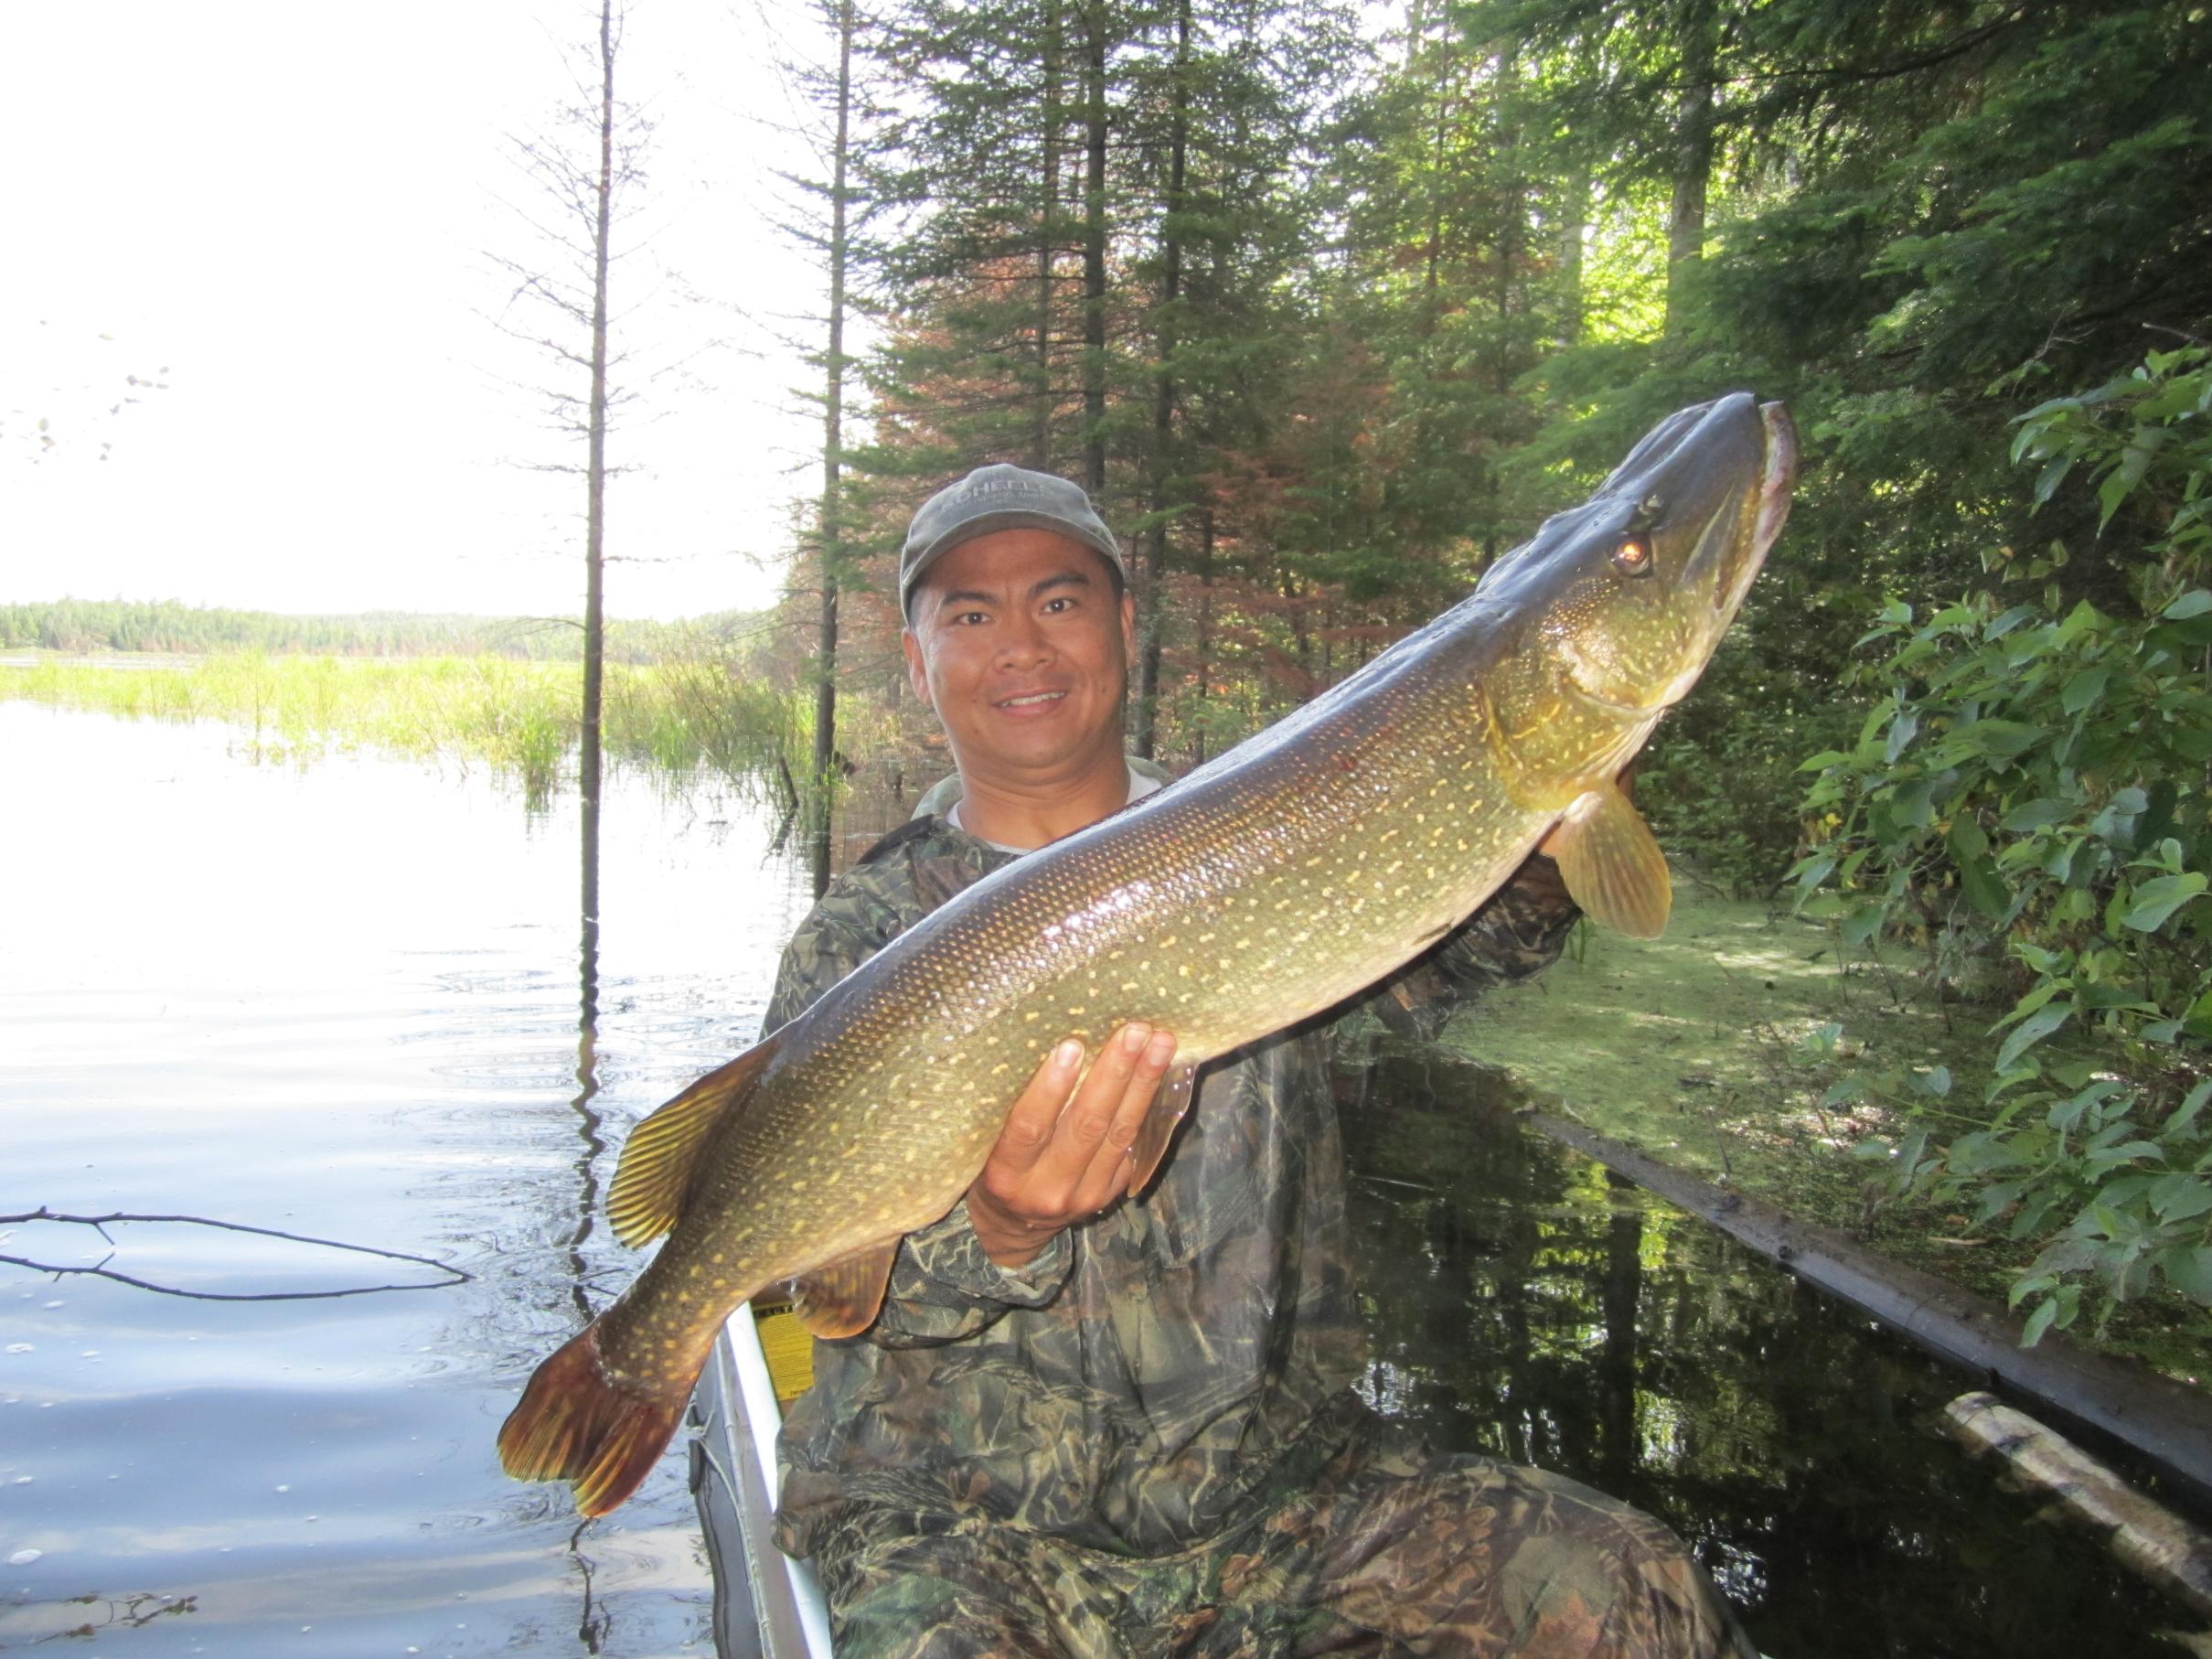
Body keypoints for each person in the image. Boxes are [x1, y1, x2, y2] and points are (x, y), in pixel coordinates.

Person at [763, 463, 1756, 1656]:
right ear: (918, 663)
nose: (1021, 644)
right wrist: (1001, 1232)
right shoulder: (858, 944)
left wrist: (1550, 821)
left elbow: (1463, 954)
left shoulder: (1287, 820)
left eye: (1060, 600)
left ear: (1126, 625)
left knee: (1634, 1592)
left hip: (1287, 1501)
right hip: (964, 1524)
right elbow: (822, 1278)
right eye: (970, 614)